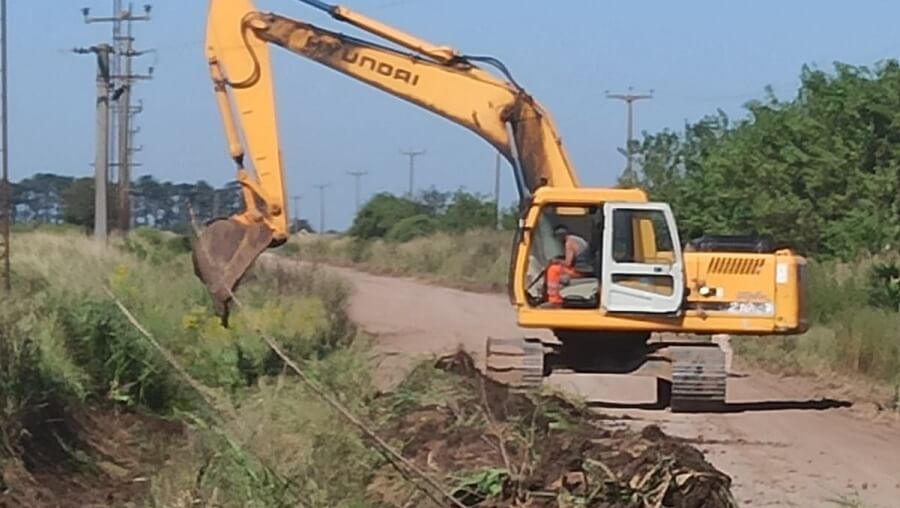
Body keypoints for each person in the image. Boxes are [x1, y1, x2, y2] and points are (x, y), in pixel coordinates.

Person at [544, 225, 590, 306]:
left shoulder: (569, 243)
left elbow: (568, 263)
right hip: (585, 268)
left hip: (579, 271)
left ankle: (554, 299)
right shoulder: (575, 239)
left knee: (553, 269)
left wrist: (556, 261)